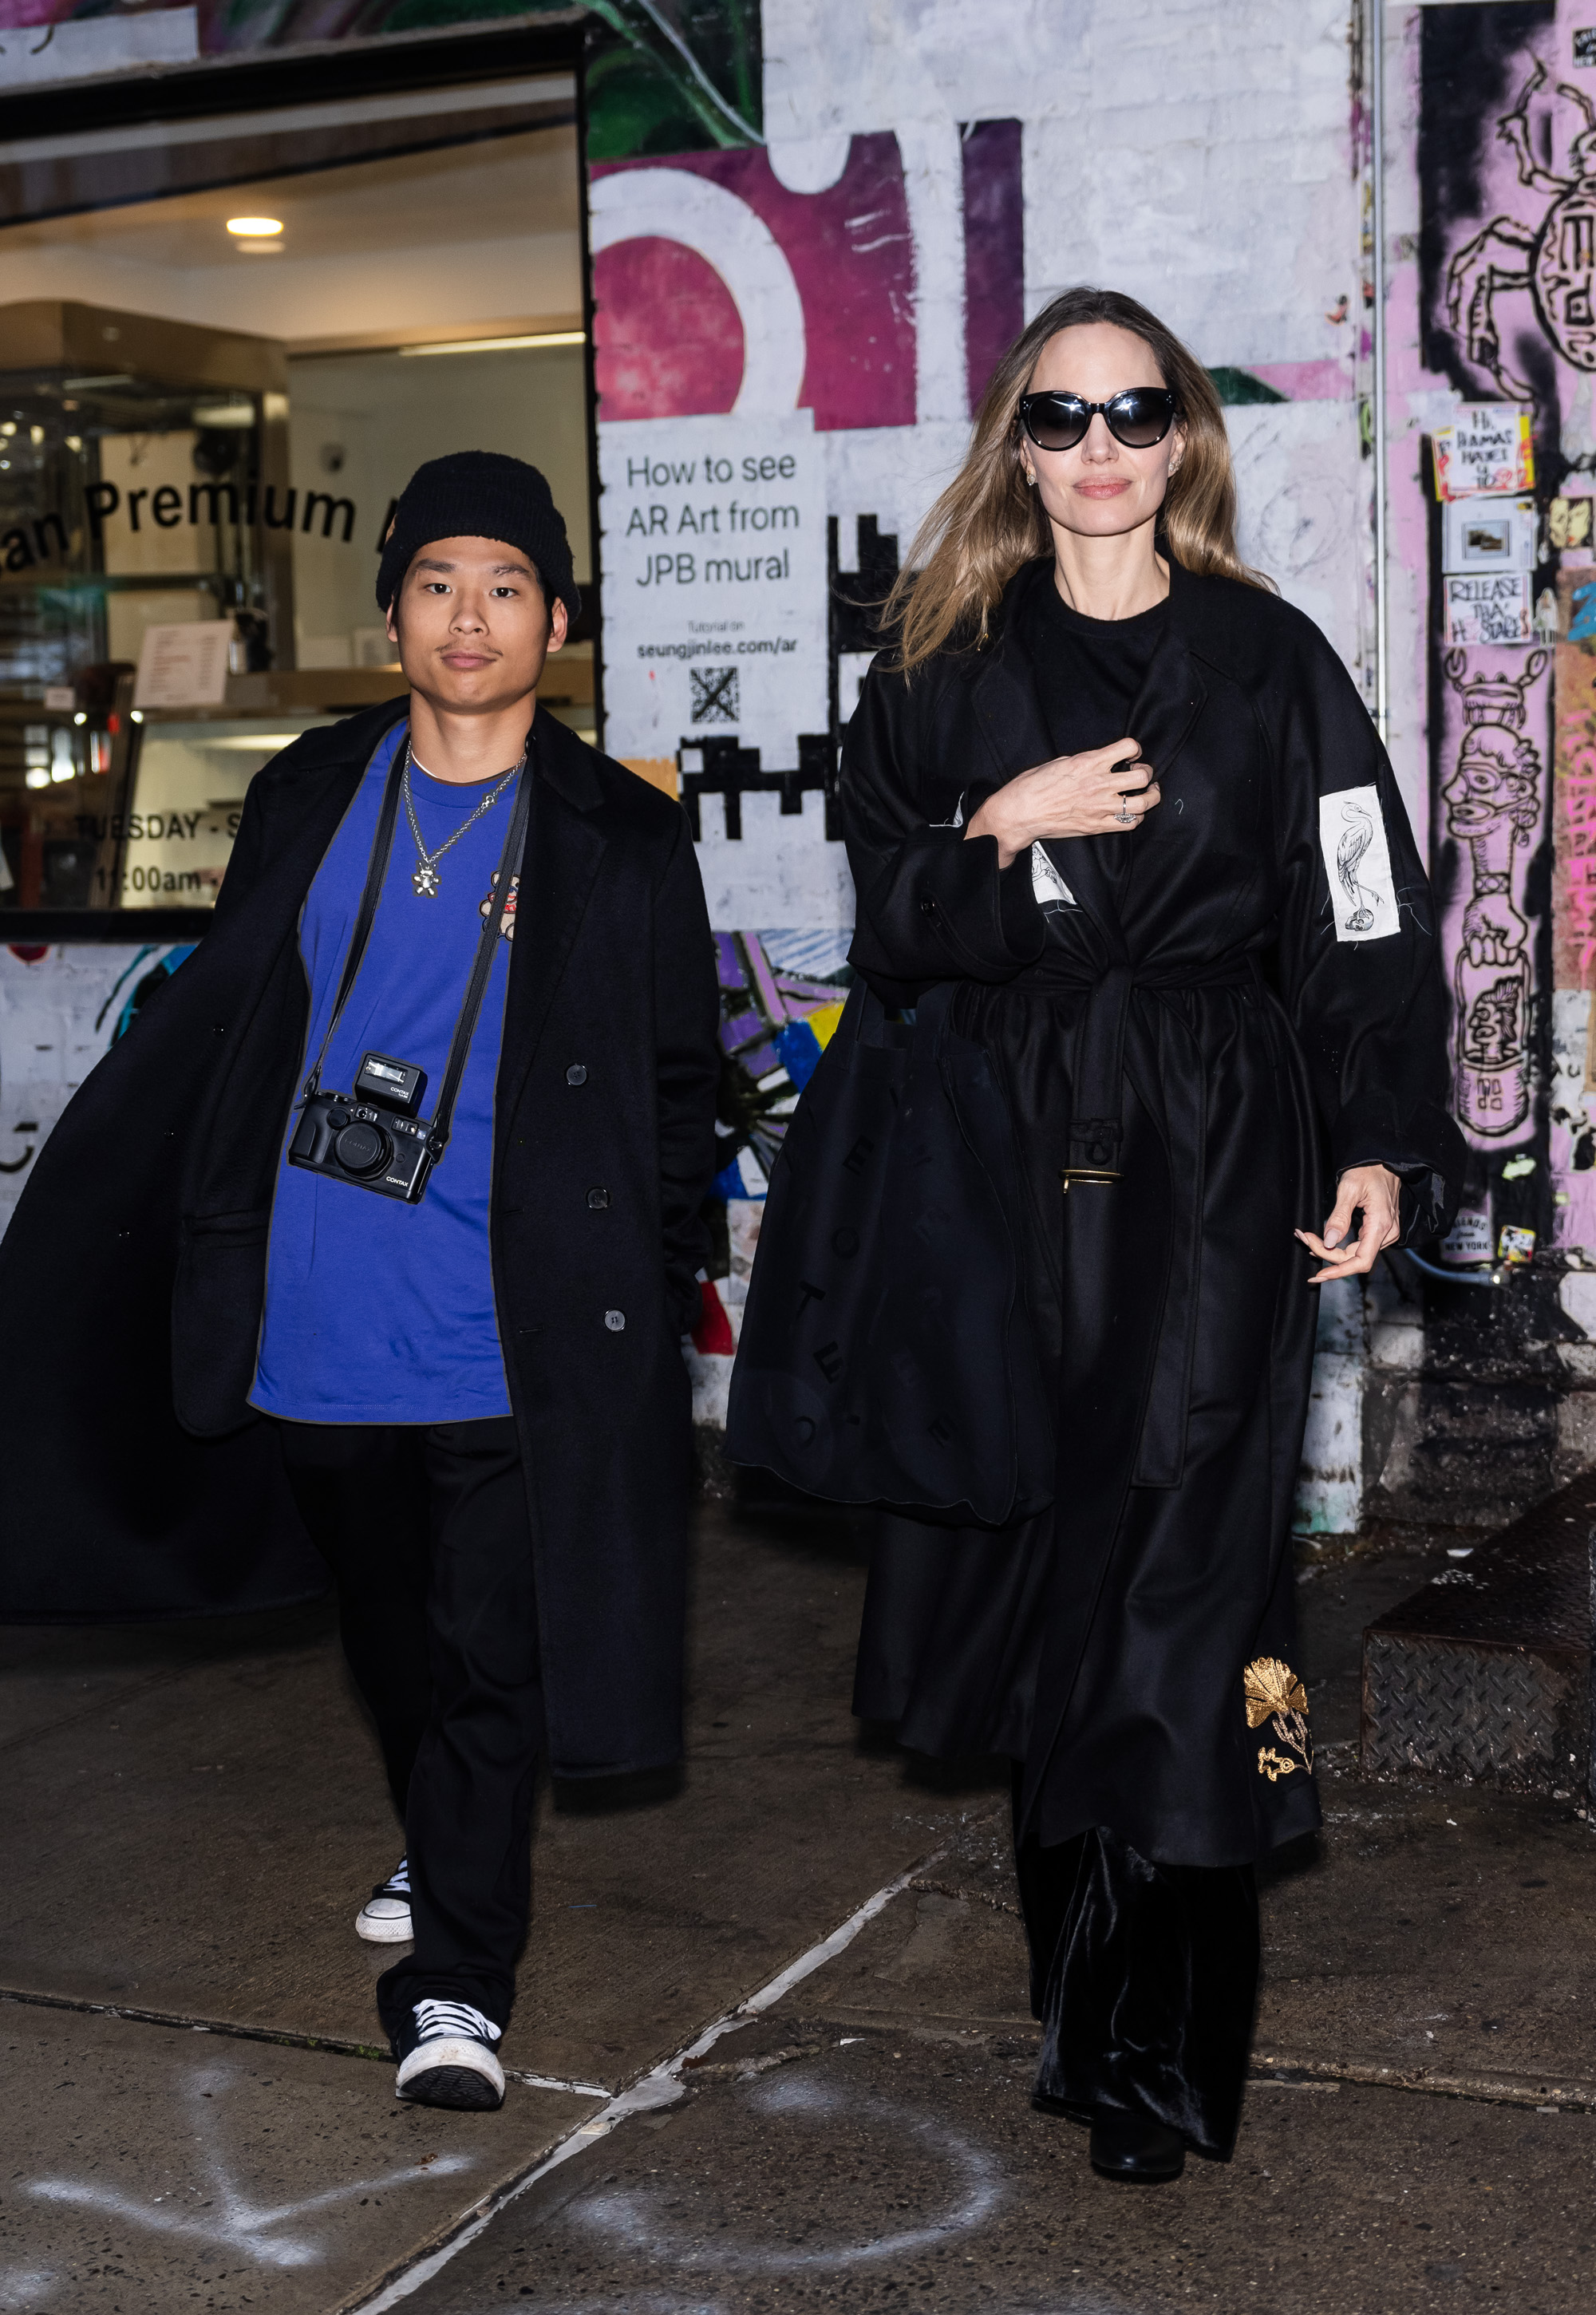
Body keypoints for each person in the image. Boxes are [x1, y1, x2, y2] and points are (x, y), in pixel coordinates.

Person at [0, 451, 720, 2111]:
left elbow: (682, 1085)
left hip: (506, 1328)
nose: (471, 618)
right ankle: (438, 1822)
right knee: (391, 1637)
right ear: (394, 609)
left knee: (488, 1654)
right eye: (438, 584)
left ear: (556, 619)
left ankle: (457, 1981)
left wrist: (642, 1263)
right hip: (313, 1314)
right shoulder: (314, 788)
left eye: (508, 588)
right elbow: (230, 1030)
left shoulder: (619, 834)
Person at [832, 292, 1462, 2182]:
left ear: (1181, 434)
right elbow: (880, 920)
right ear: (1014, 448)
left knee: (1192, 1588)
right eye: (1059, 416)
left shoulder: (1274, 667)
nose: (1098, 447)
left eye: (1133, 411)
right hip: (1007, 1165)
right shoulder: (941, 670)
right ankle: (1083, 2028)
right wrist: (994, 833)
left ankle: (1174, 2052)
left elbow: (1363, 913)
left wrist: (1375, 1139)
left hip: (1213, 1157)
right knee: (1046, 1590)